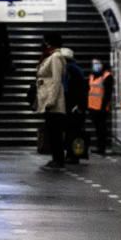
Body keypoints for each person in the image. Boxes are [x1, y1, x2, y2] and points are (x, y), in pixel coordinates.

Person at [33, 32, 70, 171]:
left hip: (53, 102)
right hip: (48, 100)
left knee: (55, 133)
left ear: (49, 42)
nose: (42, 43)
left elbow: (56, 80)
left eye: (44, 41)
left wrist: (52, 100)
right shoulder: (50, 56)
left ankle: (58, 161)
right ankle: (56, 159)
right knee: (52, 132)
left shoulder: (55, 57)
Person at [60, 47, 87, 166]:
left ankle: (72, 155)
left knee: (71, 131)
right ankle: (73, 154)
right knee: (74, 131)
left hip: (73, 105)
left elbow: (73, 89)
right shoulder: (77, 69)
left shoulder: (70, 70)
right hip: (76, 105)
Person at [85, 58, 115, 156]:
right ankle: (99, 147)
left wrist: (103, 106)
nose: (95, 66)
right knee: (97, 128)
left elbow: (108, 93)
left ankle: (102, 148)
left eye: (97, 63)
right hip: (92, 106)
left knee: (101, 128)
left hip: (101, 108)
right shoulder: (92, 76)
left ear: (102, 64)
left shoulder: (107, 76)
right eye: (93, 64)